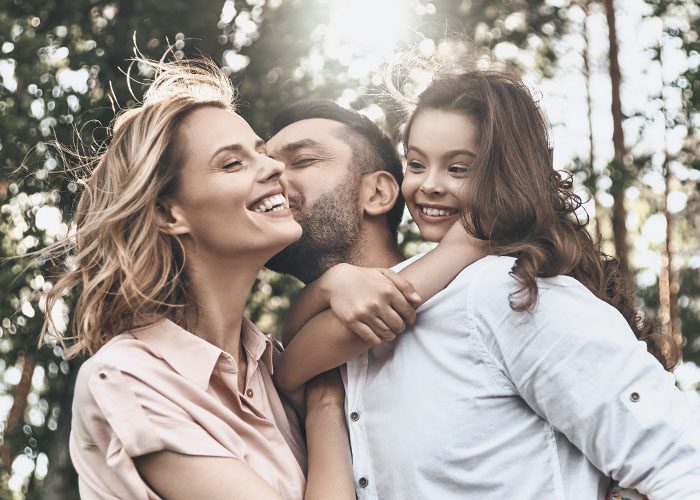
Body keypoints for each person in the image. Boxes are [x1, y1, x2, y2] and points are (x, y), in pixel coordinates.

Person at [273, 69, 700, 499]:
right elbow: (294, 354)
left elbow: (679, 464)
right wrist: (334, 283)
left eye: (459, 167)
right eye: (416, 164)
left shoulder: (508, 292)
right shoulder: (322, 359)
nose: (430, 184)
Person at [43, 57, 356, 500]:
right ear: (169, 213)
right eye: (232, 164)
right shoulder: (127, 380)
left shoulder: (273, 368)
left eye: (261, 153)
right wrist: (324, 403)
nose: (273, 169)